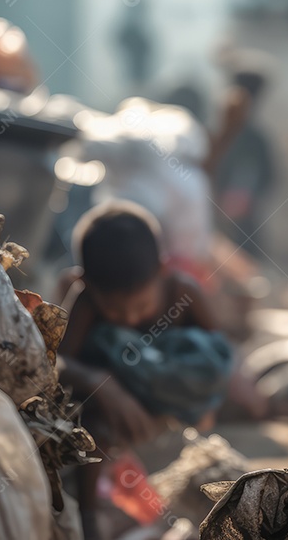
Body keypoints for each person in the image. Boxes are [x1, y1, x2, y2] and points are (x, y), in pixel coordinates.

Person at [55, 200, 223, 539]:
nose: (130, 318)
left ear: (163, 269)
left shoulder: (183, 292)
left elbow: (217, 353)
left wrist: (211, 403)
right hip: (110, 409)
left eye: (142, 307)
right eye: (115, 311)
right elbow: (58, 362)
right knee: (92, 432)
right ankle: (88, 519)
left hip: (171, 402)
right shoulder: (86, 300)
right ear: (83, 281)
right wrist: (103, 383)